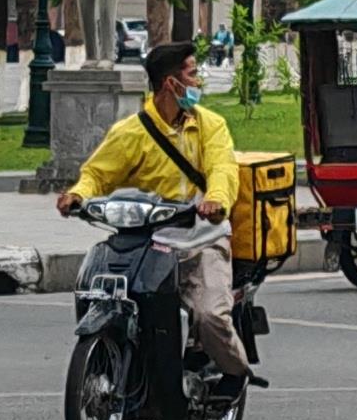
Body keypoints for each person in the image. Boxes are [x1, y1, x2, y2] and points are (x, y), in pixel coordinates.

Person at [55, 38, 258, 386]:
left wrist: (215, 201)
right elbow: (98, 174)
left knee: (210, 316)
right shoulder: (131, 132)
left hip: (202, 240)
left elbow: (222, 169)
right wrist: (77, 194)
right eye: (192, 74)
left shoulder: (211, 126)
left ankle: (235, 374)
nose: (198, 82)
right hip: (150, 244)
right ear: (171, 83)